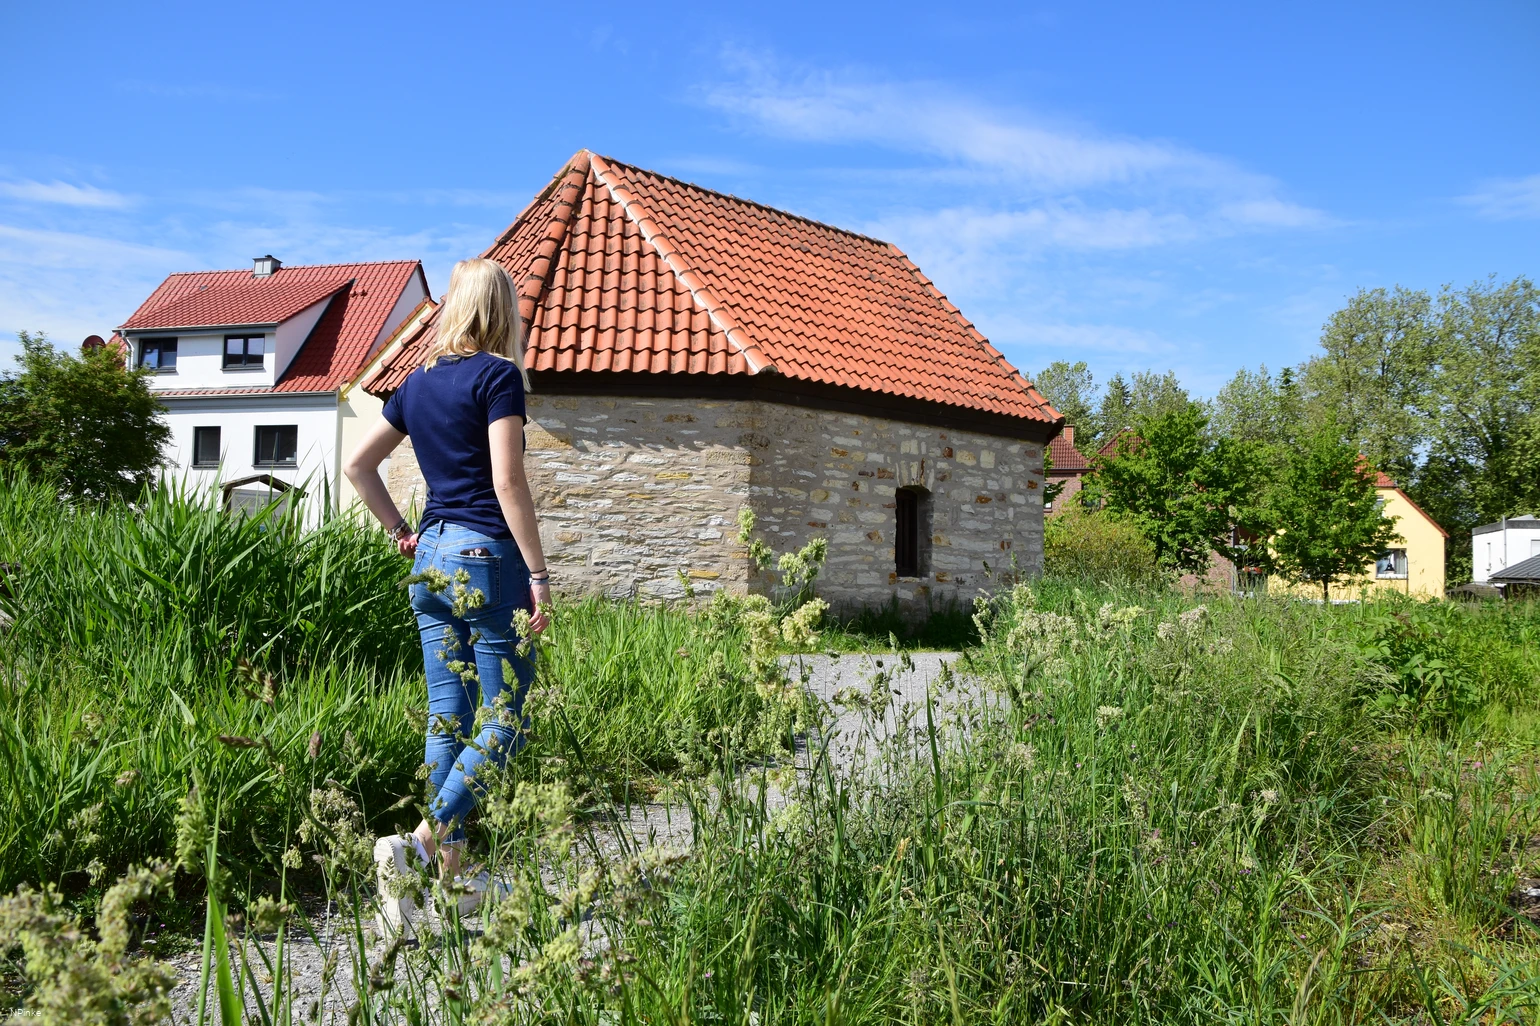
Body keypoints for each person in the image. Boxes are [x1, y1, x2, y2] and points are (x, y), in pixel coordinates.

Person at [344, 257, 550, 935]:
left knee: (447, 717)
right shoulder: (497, 377)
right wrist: (539, 573)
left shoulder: (417, 381)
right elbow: (508, 480)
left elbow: (358, 464)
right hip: (486, 556)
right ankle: (421, 846)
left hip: (429, 558)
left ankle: (454, 881)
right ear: (502, 311)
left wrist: (398, 529)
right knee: (506, 715)